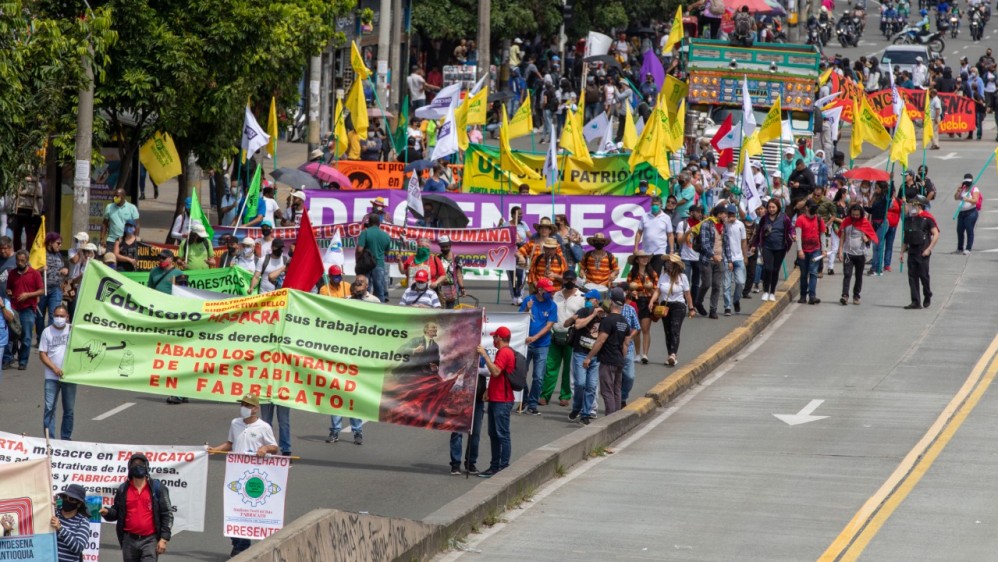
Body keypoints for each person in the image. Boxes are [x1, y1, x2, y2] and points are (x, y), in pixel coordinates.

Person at [209, 394, 278, 556]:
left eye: (247, 405)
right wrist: (214, 450)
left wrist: (265, 449)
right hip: (235, 473)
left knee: (246, 511)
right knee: (232, 510)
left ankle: (242, 546)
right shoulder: (235, 423)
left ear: (255, 408)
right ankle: (237, 542)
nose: (244, 408)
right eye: (242, 404)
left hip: (253, 476)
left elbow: (274, 447)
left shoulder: (264, 427)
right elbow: (230, 444)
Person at [101, 452, 173, 560]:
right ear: (129, 467)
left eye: (141, 463)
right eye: (135, 463)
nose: (138, 466)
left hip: (150, 540)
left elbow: (167, 514)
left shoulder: (157, 488)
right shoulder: (123, 489)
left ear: (146, 467)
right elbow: (116, 512)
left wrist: (164, 539)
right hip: (129, 540)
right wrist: (106, 512)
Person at [583, 287, 631, 416]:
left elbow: (600, 341)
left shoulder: (607, 321)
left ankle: (610, 419)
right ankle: (616, 418)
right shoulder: (625, 322)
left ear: (611, 301)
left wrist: (588, 357)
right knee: (616, 391)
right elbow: (626, 344)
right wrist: (622, 359)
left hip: (608, 360)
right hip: (619, 360)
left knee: (607, 391)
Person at [477, 326, 516, 478]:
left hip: (502, 400)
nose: (493, 339)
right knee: (494, 434)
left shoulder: (505, 352)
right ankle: (495, 466)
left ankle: (503, 467)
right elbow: (497, 376)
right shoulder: (504, 352)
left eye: (495, 337)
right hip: (496, 398)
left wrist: (485, 355)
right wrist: (488, 390)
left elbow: (495, 371)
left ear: (499, 338)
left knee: (502, 434)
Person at [543, 270, 583, 407]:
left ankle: (565, 396)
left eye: (572, 279)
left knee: (568, 368)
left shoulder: (581, 297)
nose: (569, 282)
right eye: (566, 279)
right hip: (554, 335)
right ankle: (545, 395)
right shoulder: (556, 296)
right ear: (563, 280)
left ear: (576, 280)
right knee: (550, 367)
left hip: (571, 337)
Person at [520, 277, 557, 415]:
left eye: (551, 291)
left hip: (542, 344)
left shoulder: (552, 305)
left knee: (538, 376)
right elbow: (519, 319)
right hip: (526, 344)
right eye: (548, 291)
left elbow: (549, 326)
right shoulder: (528, 300)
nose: (551, 294)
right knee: (521, 373)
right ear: (540, 290)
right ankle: (524, 398)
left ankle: (533, 403)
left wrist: (535, 337)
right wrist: (526, 309)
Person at [566, 289, 603, 424]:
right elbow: (578, 325)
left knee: (591, 386)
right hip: (580, 353)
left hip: (595, 356)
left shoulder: (603, 315)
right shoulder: (583, 311)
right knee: (580, 383)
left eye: (590, 299)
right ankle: (577, 407)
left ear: (596, 301)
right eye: (586, 299)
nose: (587, 301)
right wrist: (592, 315)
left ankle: (586, 413)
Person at [750, 198, 793, 302]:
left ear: (778, 207)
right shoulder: (764, 218)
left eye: (773, 207)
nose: (771, 209)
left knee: (775, 270)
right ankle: (765, 291)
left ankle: (772, 292)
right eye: (769, 207)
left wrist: (793, 235)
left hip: (780, 248)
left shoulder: (784, 218)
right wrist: (754, 245)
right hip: (767, 247)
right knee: (768, 269)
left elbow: (791, 229)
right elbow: (758, 232)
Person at [40, 305, 73, 440]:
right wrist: (54, 369)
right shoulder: (47, 332)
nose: (59, 318)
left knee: (69, 410)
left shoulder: (73, 330)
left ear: (67, 317)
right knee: (49, 409)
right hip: (51, 377)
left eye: (62, 316)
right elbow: (43, 354)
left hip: (69, 376)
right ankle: (50, 440)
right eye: (56, 315)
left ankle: (66, 439)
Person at [5, 250, 42, 371]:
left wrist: (28, 295)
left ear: (27, 260)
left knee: (26, 337)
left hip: (28, 308)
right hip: (14, 308)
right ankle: (8, 358)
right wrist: (9, 292)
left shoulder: (34, 273)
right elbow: (9, 289)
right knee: (11, 335)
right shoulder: (12, 273)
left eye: (22, 260)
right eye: (18, 260)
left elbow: (41, 290)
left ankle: (23, 360)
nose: (19, 263)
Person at [901, 196, 939, 309]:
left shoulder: (927, 219)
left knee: (924, 276)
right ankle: (915, 301)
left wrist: (929, 249)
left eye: (911, 206)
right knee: (912, 277)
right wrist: (902, 252)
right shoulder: (909, 220)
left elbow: (936, 234)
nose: (909, 208)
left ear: (918, 206)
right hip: (912, 250)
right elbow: (906, 237)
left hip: (923, 251)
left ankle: (927, 294)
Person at [694, 204, 732, 319]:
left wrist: (730, 260)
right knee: (706, 283)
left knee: (717, 285)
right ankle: (698, 301)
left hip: (720, 259)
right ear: (718, 214)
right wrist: (712, 255)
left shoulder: (724, 226)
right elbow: (705, 244)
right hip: (707, 259)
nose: (725, 216)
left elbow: (727, 245)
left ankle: (713, 310)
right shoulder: (707, 224)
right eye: (724, 213)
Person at [837, 204, 877, 306]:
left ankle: (856, 296)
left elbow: (871, 236)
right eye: (853, 214)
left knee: (859, 276)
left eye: (857, 215)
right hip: (848, 253)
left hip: (861, 254)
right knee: (847, 274)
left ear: (861, 215)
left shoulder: (865, 223)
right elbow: (842, 237)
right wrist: (840, 251)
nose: (855, 217)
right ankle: (845, 296)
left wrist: (866, 239)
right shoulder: (846, 222)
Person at [449, 366, 485, 474]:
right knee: (457, 431)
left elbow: (488, 370)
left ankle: (470, 462)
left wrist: (477, 369)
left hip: (477, 397)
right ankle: (455, 464)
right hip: (460, 397)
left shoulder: (482, 352)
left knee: (475, 432)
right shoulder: (458, 353)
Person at [627, 251, 658, 364]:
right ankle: (638, 353)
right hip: (636, 301)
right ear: (637, 260)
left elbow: (656, 291)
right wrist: (632, 291)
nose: (645, 259)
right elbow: (628, 288)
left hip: (647, 301)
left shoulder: (652, 273)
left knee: (645, 329)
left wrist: (650, 289)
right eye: (642, 257)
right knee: (637, 329)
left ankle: (645, 354)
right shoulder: (632, 274)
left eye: (646, 257)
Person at [37, 233, 68, 341]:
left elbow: (61, 267)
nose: (60, 246)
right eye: (58, 243)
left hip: (55, 289)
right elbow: (32, 270)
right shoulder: (41, 254)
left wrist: (64, 270)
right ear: (50, 243)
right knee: (40, 315)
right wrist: (40, 270)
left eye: (61, 244)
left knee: (53, 313)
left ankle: (49, 338)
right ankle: (40, 338)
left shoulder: (59, 255)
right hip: (42, 289)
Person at [795, 199, 826, 304]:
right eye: (811, 207)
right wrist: (799, 250)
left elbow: (822, 234)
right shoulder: (800, 219)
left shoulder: (819, 219)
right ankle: (803, 295)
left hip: (815, 250)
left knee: (813, 273)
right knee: (804, 274)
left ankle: (812, 295)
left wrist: (824, 250)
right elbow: (798, 236)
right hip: (803, 250)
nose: (813, 209)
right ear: (806, 208)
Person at [634, 196, 674, 274]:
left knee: (655, 274)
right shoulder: (645, 216)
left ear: (661, 205)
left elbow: (670, 235)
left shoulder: (666, 217)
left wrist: (671, 250)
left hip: (660, 251)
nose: (655, 206)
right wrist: (635, 248)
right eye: (653, 205)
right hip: (646, 251)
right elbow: (639, 232)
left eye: (657, 205)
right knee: (645, 274)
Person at [51, 484, 91, 562]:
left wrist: (60, 528)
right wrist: (49, 508)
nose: (67, 500)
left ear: (79, 504)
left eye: (71, 499)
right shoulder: (54, 514)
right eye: (65, 497)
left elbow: (78, 548)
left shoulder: (82, 521)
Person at [357, 214, 391, 302]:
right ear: (379, 223)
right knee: (380, 290)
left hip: (366, 265)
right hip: (379, 264)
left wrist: (357, 260)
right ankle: (381, 309)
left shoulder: (365, 233)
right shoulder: (385, 235)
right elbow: (387, 252)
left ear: (369, 222)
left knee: (365, 289)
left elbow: (360, 250)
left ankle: (365, 308)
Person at [723, 204, 747, 315]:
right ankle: (727, 306)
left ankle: (736, 300)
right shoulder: (724, 225)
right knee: (726, 284)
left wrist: (745, 256)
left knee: (740, 282)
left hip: (739, 257)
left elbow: (743, 241)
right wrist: (725, 222)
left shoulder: (740, 225)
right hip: (727, 258)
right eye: (729, 214)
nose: (731, 216)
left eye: (732, 214)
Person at [954, 173, 981, 254]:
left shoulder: (974, 189)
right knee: (959, 230)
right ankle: (960, 248)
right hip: (961, 213)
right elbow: (956, 198)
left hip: (971, 212)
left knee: (969, 230)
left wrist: (966, 199)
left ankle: (968, 248)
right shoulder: (963, 188)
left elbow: (975, 201)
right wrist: (958, 191)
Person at [435, 236, 466, 309]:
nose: (445, 248)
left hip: (453, 289)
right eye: (443, 246)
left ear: (450, 245)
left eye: (446, 246)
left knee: (453, 311)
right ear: (440, 246)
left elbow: (459, 274)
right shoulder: (437, 258)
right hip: (440, 289)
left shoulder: (457, 259)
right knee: (441, 310)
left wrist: (462, 288)